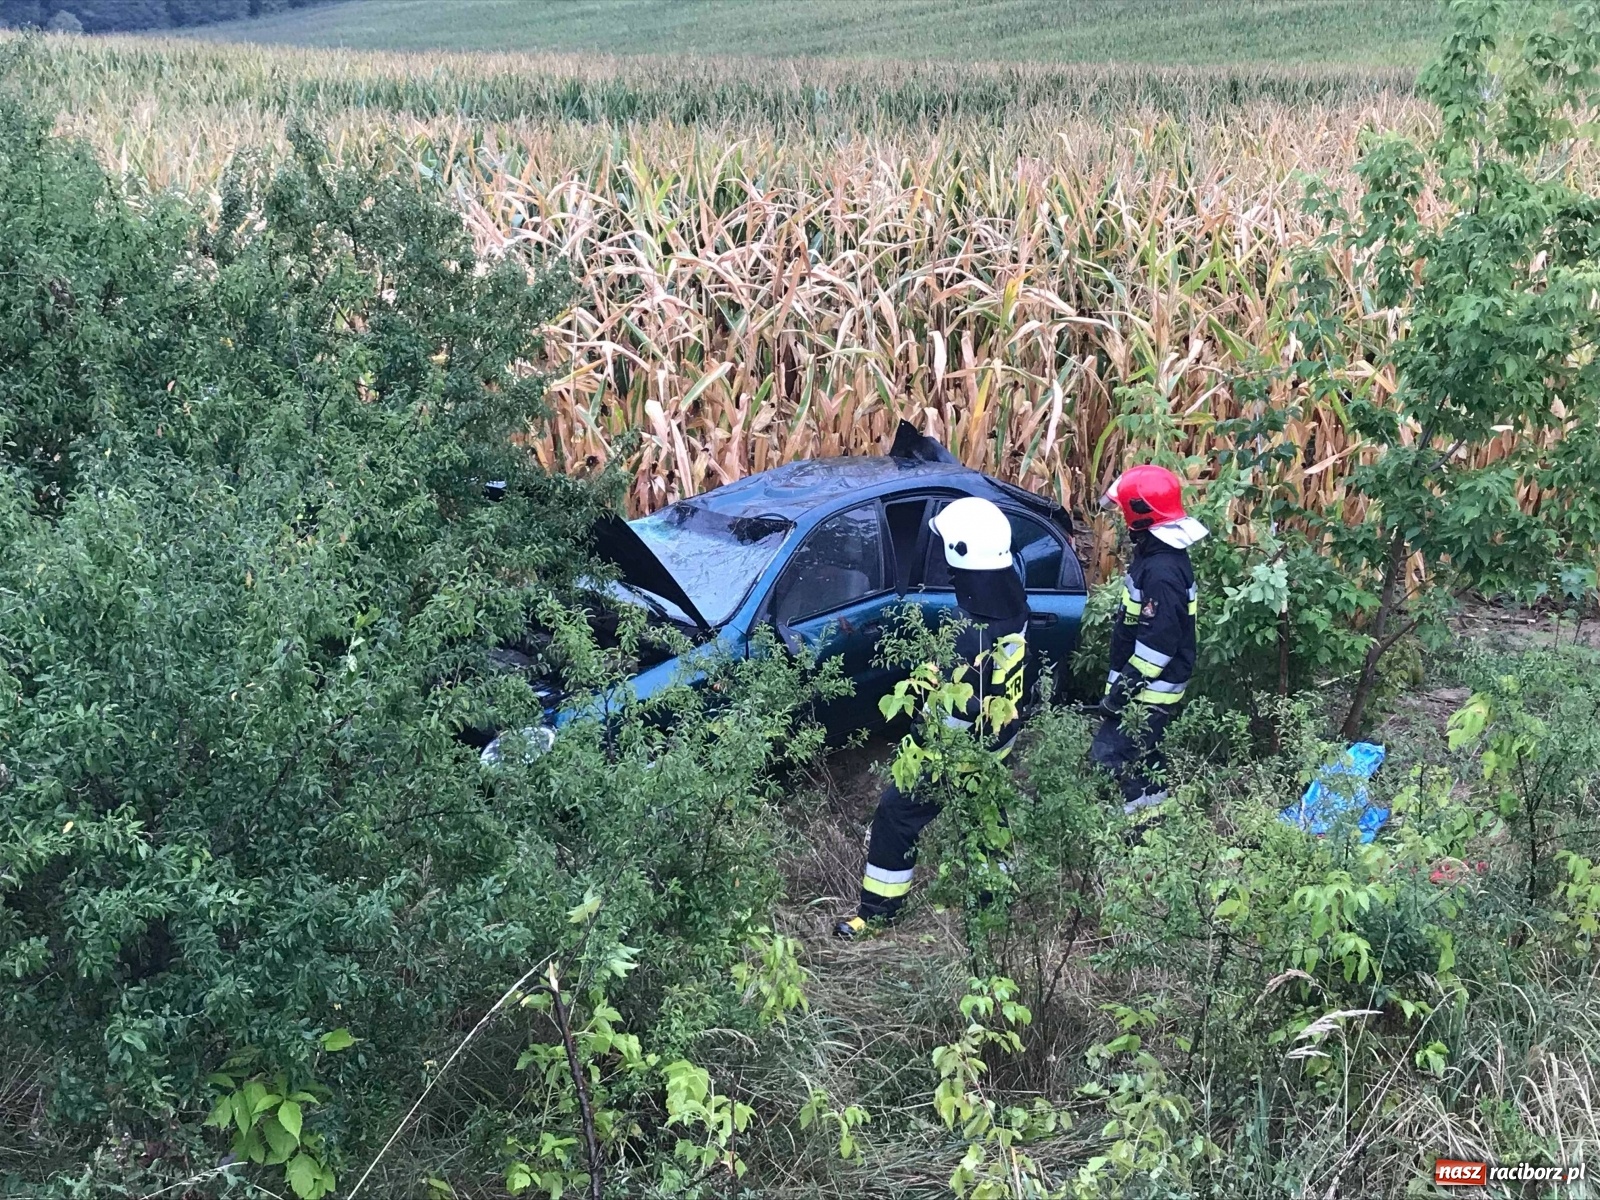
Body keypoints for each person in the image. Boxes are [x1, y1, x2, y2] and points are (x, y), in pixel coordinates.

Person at [835, 496, 1029, 939]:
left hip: (955, 755)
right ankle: (995, 903)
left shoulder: (973, 636)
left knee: (895, 815)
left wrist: (922, 744)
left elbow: (955, 714)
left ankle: (878, 913)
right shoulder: (1012, 599)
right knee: (986, 815)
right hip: (999, 741)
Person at [1091, 465, 1207, 815]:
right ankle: (1152, 823)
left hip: (1147, 692)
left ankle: (1123, 834)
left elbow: (1157, 645)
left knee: (1108, 759)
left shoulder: (1161, 572)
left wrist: (1120, 694)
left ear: (1140, 515)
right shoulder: (1157, 558)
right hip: (1148, 689)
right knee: (1146, 759)